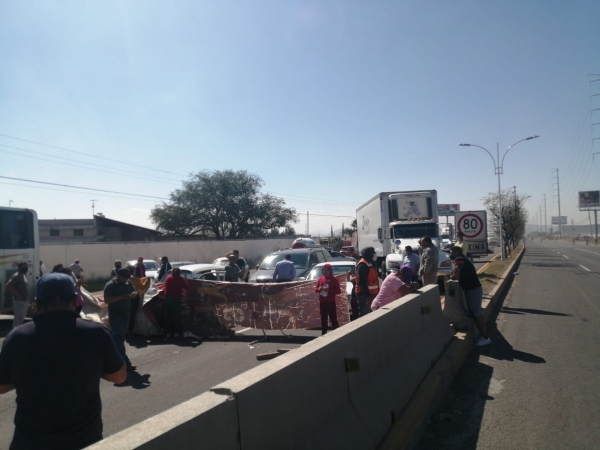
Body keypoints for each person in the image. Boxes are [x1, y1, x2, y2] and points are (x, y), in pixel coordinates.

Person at [0, 273, 126, 450]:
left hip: (30, 442)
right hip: (84, 440)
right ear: (75, 301)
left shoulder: (17, 337)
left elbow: (2, 386)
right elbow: (119, 377)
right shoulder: (96, 333)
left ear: (37, 303)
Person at [449, 246, 491, 347]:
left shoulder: (459, 259)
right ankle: (483, 335)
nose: (450, 253)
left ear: (458, 251)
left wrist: (453, 277)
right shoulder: (464, 259)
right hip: (474, 289)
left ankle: (485, 338)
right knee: (477, 314)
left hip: (472, 290)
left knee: (476, 315)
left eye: (452, 251)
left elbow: (457, 273)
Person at [103, 268, 138, 371]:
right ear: (118, 276)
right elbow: (107, 299)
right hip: (116, 315)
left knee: (119, 338)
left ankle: (108, 356)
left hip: (126, 314)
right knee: (118, 339)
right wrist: (123, 296)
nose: (126, 280)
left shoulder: (128, 283)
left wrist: (133, 294)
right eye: (124, 278)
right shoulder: (110, 285)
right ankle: (124, 362)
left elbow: (133, 291)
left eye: (127, 278)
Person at [313, 264, 341, 335]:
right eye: (323, 270)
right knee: (323, 319)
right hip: (323, 303)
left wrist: (329, 290)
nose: (325, 272)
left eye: (326, 270)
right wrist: (319, 289)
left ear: (330, 271)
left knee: (333, 319)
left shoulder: (334, 280)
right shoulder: (320, 279)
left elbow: (338, 291)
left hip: (331, 302)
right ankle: (324, 334)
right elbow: (315, 289)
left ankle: (337, 334)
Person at [163, 267, 189, 338]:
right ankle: (176, 332)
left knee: (167, 316)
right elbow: (187, 287)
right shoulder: (181, 279)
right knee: (176, 316)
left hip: (167, 298)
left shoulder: (168, 278)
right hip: (176, 299)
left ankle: (168, 332)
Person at [355, 247, 379, 316]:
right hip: (365, 295)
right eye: (373, 253)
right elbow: (362, 282)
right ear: (369, 254)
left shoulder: (370, 263)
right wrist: (368, 296)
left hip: (372, 294)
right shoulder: (363, 265)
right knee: (365, 314)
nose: (374, 255)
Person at [5, 262, 30, 329]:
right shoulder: (17, 276)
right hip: (19, 301)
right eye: (24, 267)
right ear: (20, 268)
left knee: (21, 319)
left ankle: (18, 333)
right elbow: (8, 285)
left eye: (26, 267)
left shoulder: (23, 275)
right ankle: (15, 334)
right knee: (18, 319)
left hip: (24, 301)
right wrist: (17, 294)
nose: (26, 268)